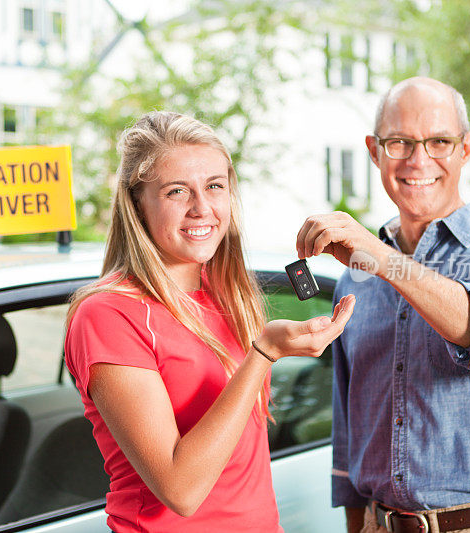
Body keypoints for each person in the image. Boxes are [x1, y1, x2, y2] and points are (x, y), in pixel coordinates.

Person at [297, 76, 470, 532]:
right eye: (400, 142)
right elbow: (348, 428)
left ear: (466, 148)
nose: (418, 161)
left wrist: (387, 262)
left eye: (439, 141)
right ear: (374, 150)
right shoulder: (354, 278)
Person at [64, 111, 355, 532]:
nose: (202, 208)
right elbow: (181, 491)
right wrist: (264, 353)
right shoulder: (108, 315)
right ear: (137, 204)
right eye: (177, 191)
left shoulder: (226, 295)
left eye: (214, 186)